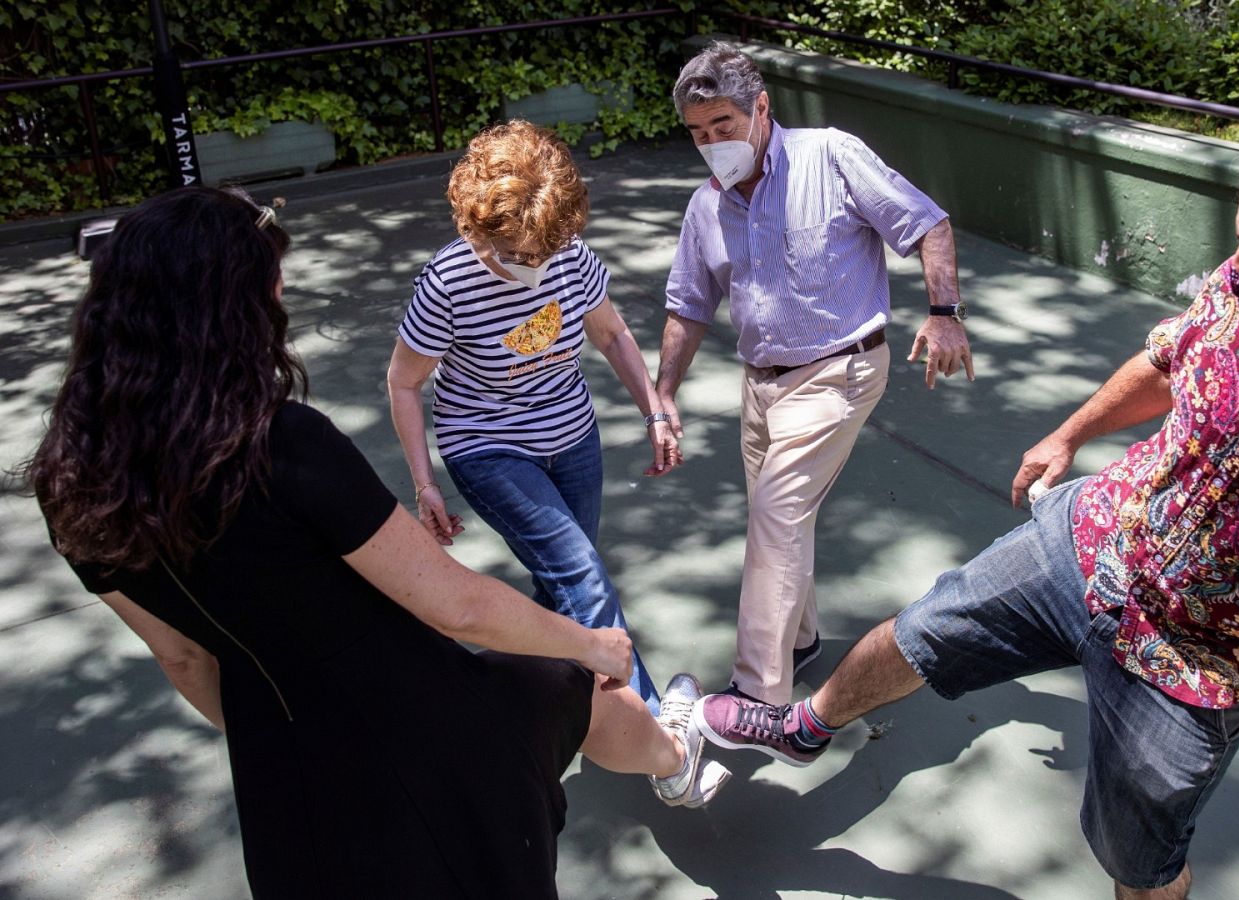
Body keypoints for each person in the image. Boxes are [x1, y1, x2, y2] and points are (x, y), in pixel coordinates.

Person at [693, 124, 1239, 900]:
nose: (1230, 267)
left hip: (1195, 664)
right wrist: (1071, 433)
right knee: (922, 628)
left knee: (1139, 857)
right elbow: (1168, 361)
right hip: (1093, 537)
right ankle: (804, 725)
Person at [27, 187, 725, 899]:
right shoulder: (282, 447)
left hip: (282, 778)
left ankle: (672, 753)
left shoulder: (70, 485)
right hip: (432, 743)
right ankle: (675, 754)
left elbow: (184, 658)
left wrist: (294, 738)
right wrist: (588, 644)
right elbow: (455, 606)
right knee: (582, 684)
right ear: (232, 308)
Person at [657, 41, 975, 705]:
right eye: (697, 133)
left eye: (722, 125)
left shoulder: (830, 155)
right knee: (779, 519)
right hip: (759, 384)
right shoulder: (705, 208)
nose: (711, 143)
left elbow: (928, 224)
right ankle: (798, 639)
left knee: (776, 513)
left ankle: (756, 699)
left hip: (840, 370)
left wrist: (944, 312)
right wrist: (662, 393)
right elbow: (687, 309)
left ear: (762, 108)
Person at [388, 120, 675, 712]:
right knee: (584, 581)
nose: (531, 266)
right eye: (513, 254)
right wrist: (424, 484)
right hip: (486, 446)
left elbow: (614, 335)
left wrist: (654, 413)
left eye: (542, 251)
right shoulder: (448, 282)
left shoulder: (569, 255)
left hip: (571, 434)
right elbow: (404, 382)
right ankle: (659, 737)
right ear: (473, 225)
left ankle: (513, 705)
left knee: (561, 583)